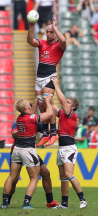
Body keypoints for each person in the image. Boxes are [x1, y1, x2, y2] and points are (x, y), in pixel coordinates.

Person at [0, 95, 53, 209]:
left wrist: (35, 104)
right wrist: (48, 102)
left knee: (11, 177)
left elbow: (30, 114)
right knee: (34, 178)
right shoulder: (31, 118)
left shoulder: (19, 118)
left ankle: (4, 203)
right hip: (27, 150)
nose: (29, 104)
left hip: (17, 150)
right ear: (25, 108)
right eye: (27, 103)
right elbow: (49, 114)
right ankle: (26, 203)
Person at [27, 18, 66, 147]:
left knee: (47, 102)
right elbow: (30, 41)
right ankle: (45, 134)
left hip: (49, 77)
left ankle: (53, 133)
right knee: (41, 105)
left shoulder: (59, 46)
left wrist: (55, 28)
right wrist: (31, 26)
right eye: (47, 31)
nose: (48, 34)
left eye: (51, 32)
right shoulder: (42, 43)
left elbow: (64, 40)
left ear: (55, 32)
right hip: (38, 79)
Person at [50, 76, 87, 209]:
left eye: (69, 102)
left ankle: (82, 199)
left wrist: (55, 84)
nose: (66, 102)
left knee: (69, 174)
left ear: (74, 107)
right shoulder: (64, 114)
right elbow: (53, 107)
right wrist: (47, 99)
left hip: (69, 148)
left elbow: (61, 101)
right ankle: (64, 204)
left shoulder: (71, 114)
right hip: (61, 148)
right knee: (63, 177)